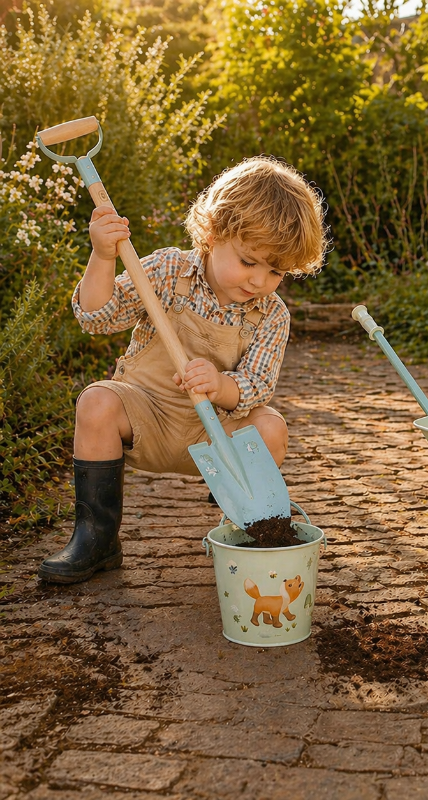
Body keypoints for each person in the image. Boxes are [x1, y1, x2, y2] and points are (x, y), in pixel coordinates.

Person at [38, 156, 327, 584]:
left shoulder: (271, 314)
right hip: (147, 419)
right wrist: (102, 255)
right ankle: (96, 539)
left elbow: (258, 384)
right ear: (213, 234)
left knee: (271, 427)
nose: (259, 281)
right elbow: (97, 317)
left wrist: (221, 385)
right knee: (96, 402)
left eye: (276, 271)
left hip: (212, 437)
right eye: (249, 262)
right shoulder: (168, 271)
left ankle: (239, 511)